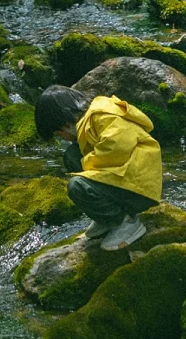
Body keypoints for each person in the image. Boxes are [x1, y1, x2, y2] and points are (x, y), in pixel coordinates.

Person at [34, 85, 162, 250]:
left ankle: (126, 223)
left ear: (65, 125)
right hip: (125, 179)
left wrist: (85, 165)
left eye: (59, 135)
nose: (63, 139)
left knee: (77, 185)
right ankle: (107, 218)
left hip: (139, 187)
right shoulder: (88, 121)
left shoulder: (102, 116)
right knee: (72, 155)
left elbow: (117, 148)